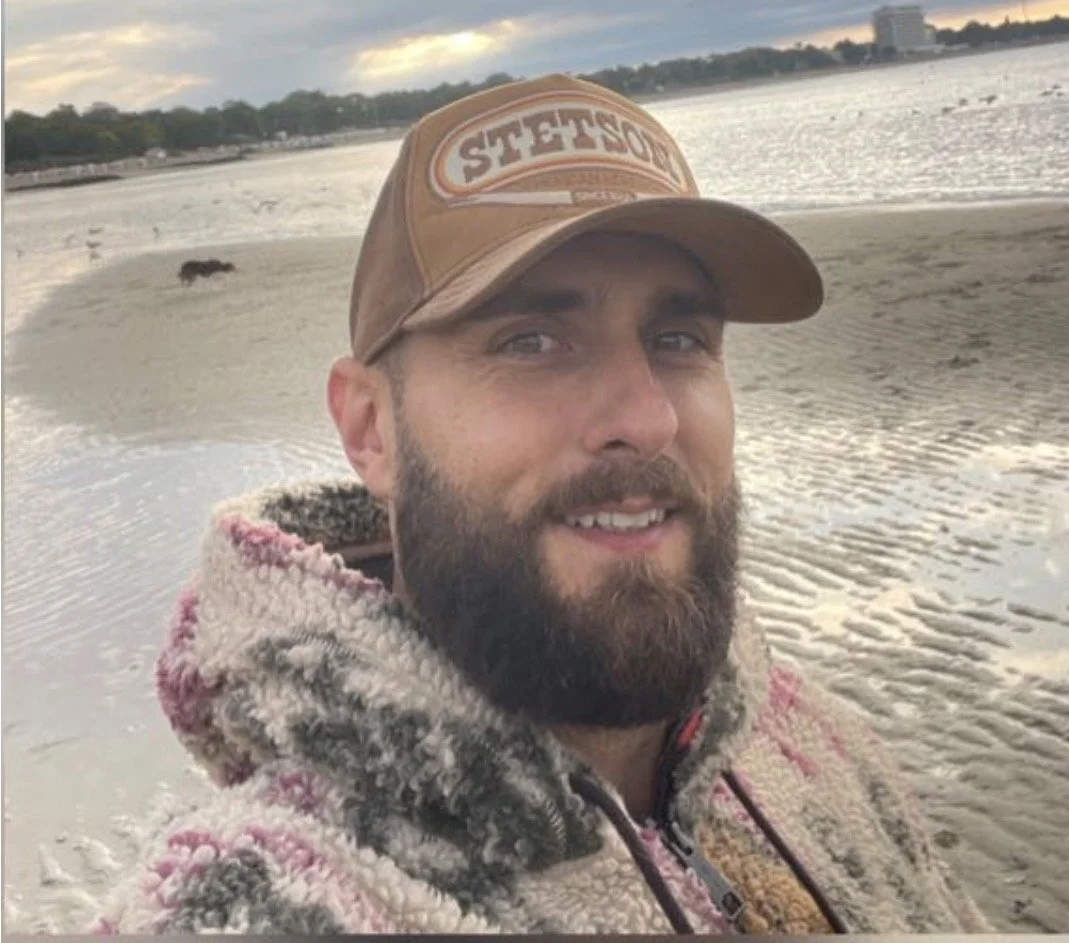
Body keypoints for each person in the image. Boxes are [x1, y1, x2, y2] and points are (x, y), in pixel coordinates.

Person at [95, 74, 989, 934]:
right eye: (531, 340)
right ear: (372, 430)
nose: (647, 417)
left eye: (679, 338)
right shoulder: (260, 903)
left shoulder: (803, 742)